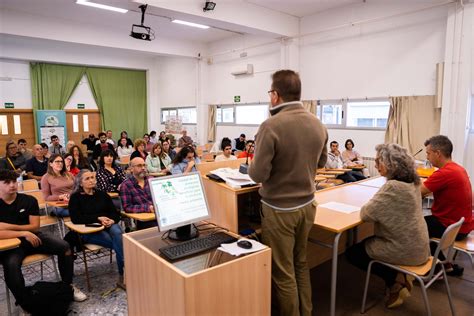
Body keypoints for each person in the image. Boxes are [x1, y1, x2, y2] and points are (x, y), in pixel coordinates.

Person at [248, 70, 328, 316]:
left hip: (280, 210)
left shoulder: (271, 125)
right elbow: (322, 162)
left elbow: (257, 175)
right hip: (308, 204)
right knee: (300, 263)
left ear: (275, 95)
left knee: (283, 273)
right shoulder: (318, 123)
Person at [346, 143, 429, 309]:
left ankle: (396, 280)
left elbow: (366, 214)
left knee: (352, 254)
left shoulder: (393, 187)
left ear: (390, 164)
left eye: (378, 162)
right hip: (419, 245)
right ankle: (399, 277)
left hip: (406, 250)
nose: (376, 166)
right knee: (367, 242)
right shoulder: (413, 182)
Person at [0, 169, 87, 310]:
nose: (12, 185)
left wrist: (5, 227)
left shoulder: (28, 200)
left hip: (33, 237)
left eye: (14, 181)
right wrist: (23, 233)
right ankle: (26, 304)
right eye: (7, 182)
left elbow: (34, 227)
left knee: (64, 247)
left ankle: (67, 286)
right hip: (11, 245)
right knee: (11, 265)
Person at [420, 135, 473, 275]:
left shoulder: (444, 173)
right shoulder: (458, 168)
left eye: (428, 153)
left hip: (452, 227)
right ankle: (445, 265)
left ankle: (433, 269)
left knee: (414, 227)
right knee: (423, 223)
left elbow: (418, 191)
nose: (427, 157)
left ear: (437, 153)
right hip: (462, 224)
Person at [68, 169, 125, 288]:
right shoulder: (75, 197)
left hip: (107, 225)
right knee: (119, 243)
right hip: (90, 229)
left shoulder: (102, 195)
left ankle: (123, 274)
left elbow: (115, 213)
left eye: (92, 177)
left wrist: (112, 220)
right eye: (87, 179)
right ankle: (124, 273)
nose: (91, 180)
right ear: (80, 183)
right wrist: (98, 218)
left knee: (118, 232)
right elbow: (76, 218)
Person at [119, 157, 156, 230]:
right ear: (131, 169)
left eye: (144, 165)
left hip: (159, 214)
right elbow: (127, 207)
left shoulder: (152, 180)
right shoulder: (126, 185)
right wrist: (148, 208)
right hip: (144, 219)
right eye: (139, 166)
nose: (143, 168)